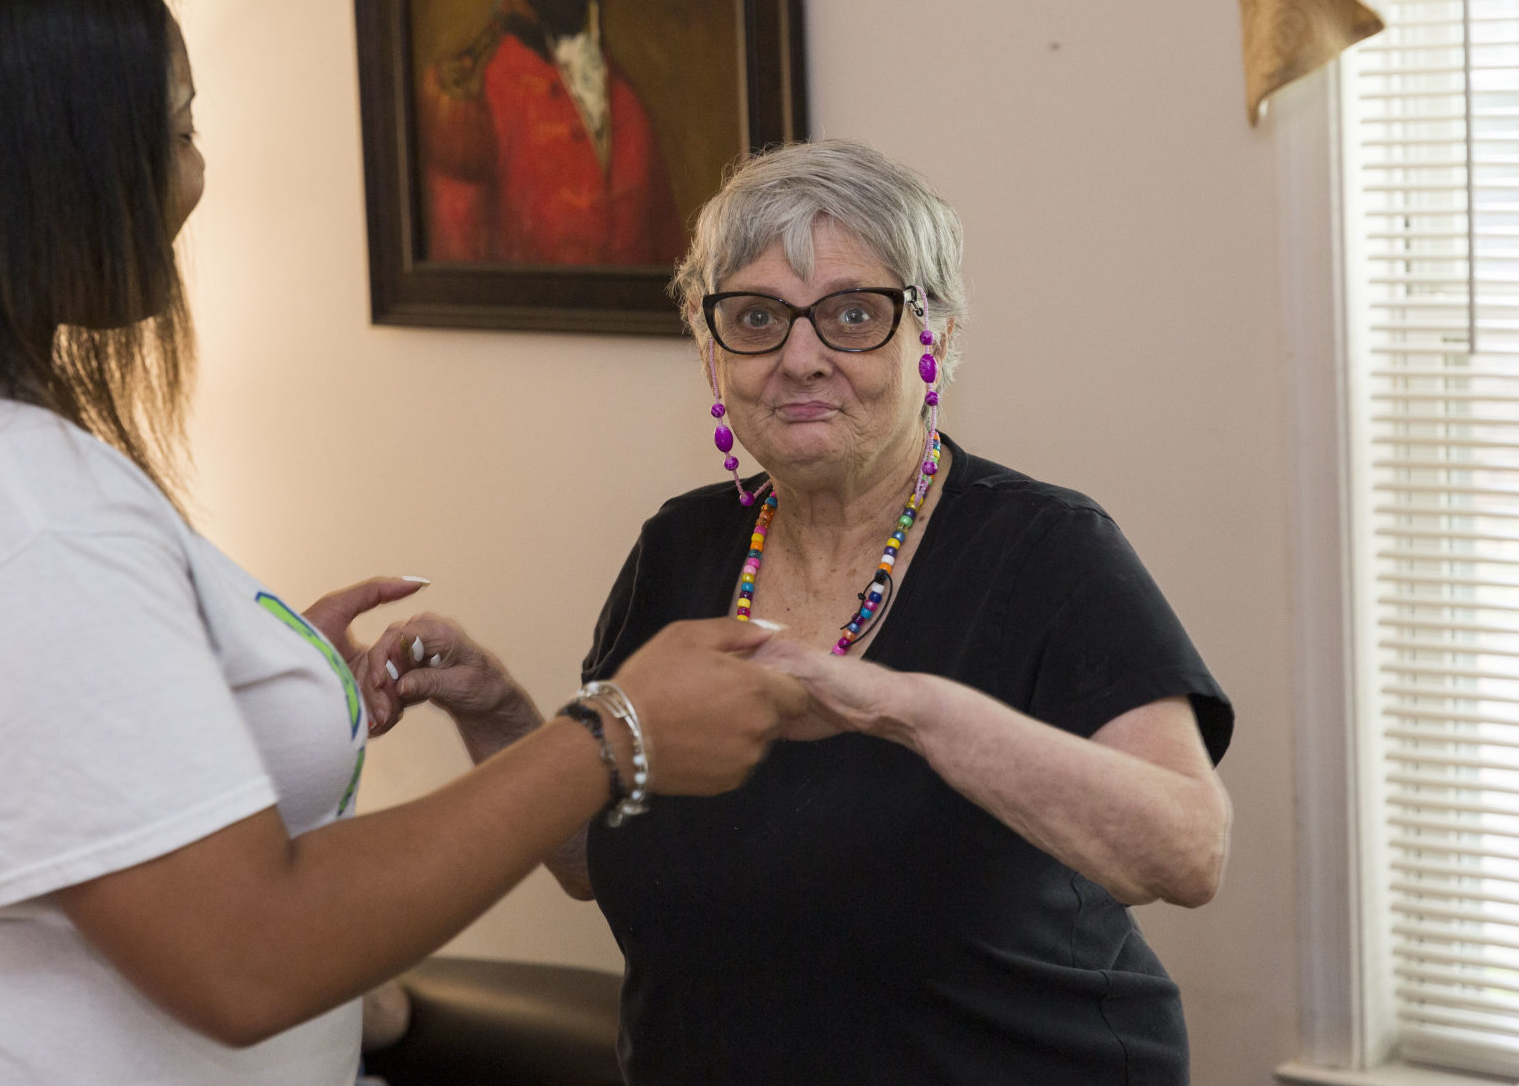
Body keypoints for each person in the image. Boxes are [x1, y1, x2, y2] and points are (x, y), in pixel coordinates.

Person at [0, 0, 810, 1086]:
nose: (193, 175)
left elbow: (59, 768)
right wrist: (612, 734)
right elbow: (243, 953)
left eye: (854, 314)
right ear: (57, 167)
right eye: (177, 129)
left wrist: (232, 681)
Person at [363, 140, 1235, 1085]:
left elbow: (1187, 853)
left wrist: (901, 705)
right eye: (756, 318)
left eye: (855, 315)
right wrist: (497, 711)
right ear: (712, 351)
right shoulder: (680, 552)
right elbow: (593, 862)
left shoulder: (1048, 554)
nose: (802, 358)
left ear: (933, 334)